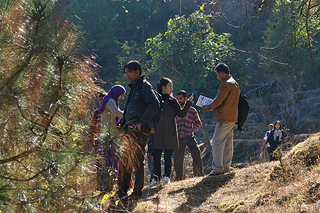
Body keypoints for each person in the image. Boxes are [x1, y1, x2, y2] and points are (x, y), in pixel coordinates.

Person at [118, 60, 160, 201]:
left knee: (137, 161)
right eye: (126, 73)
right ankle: (123, 191)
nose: (127, 75)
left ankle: (136, 194)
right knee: (126, 160)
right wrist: (122, 126)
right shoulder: (135, 87)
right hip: (130, 130)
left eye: (129, 72)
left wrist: (141, 122)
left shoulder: (144, 86)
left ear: (137, 71)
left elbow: (155, 104)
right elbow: (129, 110)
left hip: (139, 130)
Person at [150, 78, 193, 186]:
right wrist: (151, 126)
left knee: (168, 156)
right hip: (157, 132)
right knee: (156, 156)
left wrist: (188, 103)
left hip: (170, 132)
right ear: (163, 87)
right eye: (170, 86)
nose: (171, 88)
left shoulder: (172, 101)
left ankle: (167, 177)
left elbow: (182, 114)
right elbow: (149, 114)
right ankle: (156, 179)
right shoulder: (155, 99)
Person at [202, 63, 240, 176]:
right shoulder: (235, 83)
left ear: (222, 73)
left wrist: (208, 107)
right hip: (232, 117)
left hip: (224, 117)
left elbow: (218, 100)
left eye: (218, 75)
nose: (217, 77)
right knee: (228, 143)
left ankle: (218, 168)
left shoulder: (226, 84)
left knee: (217, 142)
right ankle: (225, 167)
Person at [94, 85, 126, 191]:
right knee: (109, 162)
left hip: (110, 136)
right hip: (108, 137)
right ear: (117, 93)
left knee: (112, 162)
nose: (122, 98)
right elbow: (116, 113)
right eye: (121, 95)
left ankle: (110, 186)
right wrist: (129, 114)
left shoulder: (110, 100)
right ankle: (107, 187)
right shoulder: (110, 100)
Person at [174, 90, 204, 181]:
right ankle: (179, 179)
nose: (179, 101)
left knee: (197, 153)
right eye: (177, 99)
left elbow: (198, 123)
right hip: (179, 138)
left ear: (185, 99)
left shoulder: (192, 110)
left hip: (189, 137)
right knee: (178, 160)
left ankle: (198, 175)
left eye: (180, 99)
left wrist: (192, 130)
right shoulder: (175, 110)